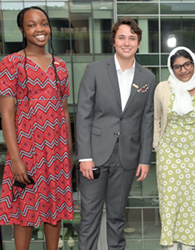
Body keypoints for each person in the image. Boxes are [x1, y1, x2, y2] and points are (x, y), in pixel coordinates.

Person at [0, 6, 74, 250]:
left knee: (55, 210)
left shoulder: (60, 66)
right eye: (31, 24)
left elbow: (63, 111)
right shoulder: (10, 63)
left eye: (43, 23)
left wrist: (68, 152)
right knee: (23, 212)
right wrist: (16, 158)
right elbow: (6, 115)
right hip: (26, 150)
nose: (39, 29)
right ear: (22, 29)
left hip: (56, 151)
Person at [76, 17, 156, 250]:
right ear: (113, 41)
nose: (126, 42)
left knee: (117, 217)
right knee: (89, 217)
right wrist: (84, 157)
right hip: (95, 158)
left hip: (127, 157)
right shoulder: (94, 70)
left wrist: (144, 159)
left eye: (132, 38)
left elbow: (146, 120)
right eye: (121, 37)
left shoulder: (147, 78)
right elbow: (83, 115)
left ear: (139, 43)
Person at [154, 46, 195, 250]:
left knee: (192, 204)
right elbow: (157, 117)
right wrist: (157, 145)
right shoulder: (163, 88)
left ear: (193, 63)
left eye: (187, 64)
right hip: (168, 153)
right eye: (177, 66)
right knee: (169, 203)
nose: (183, 70)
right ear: (171, 68)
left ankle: (189, 246)